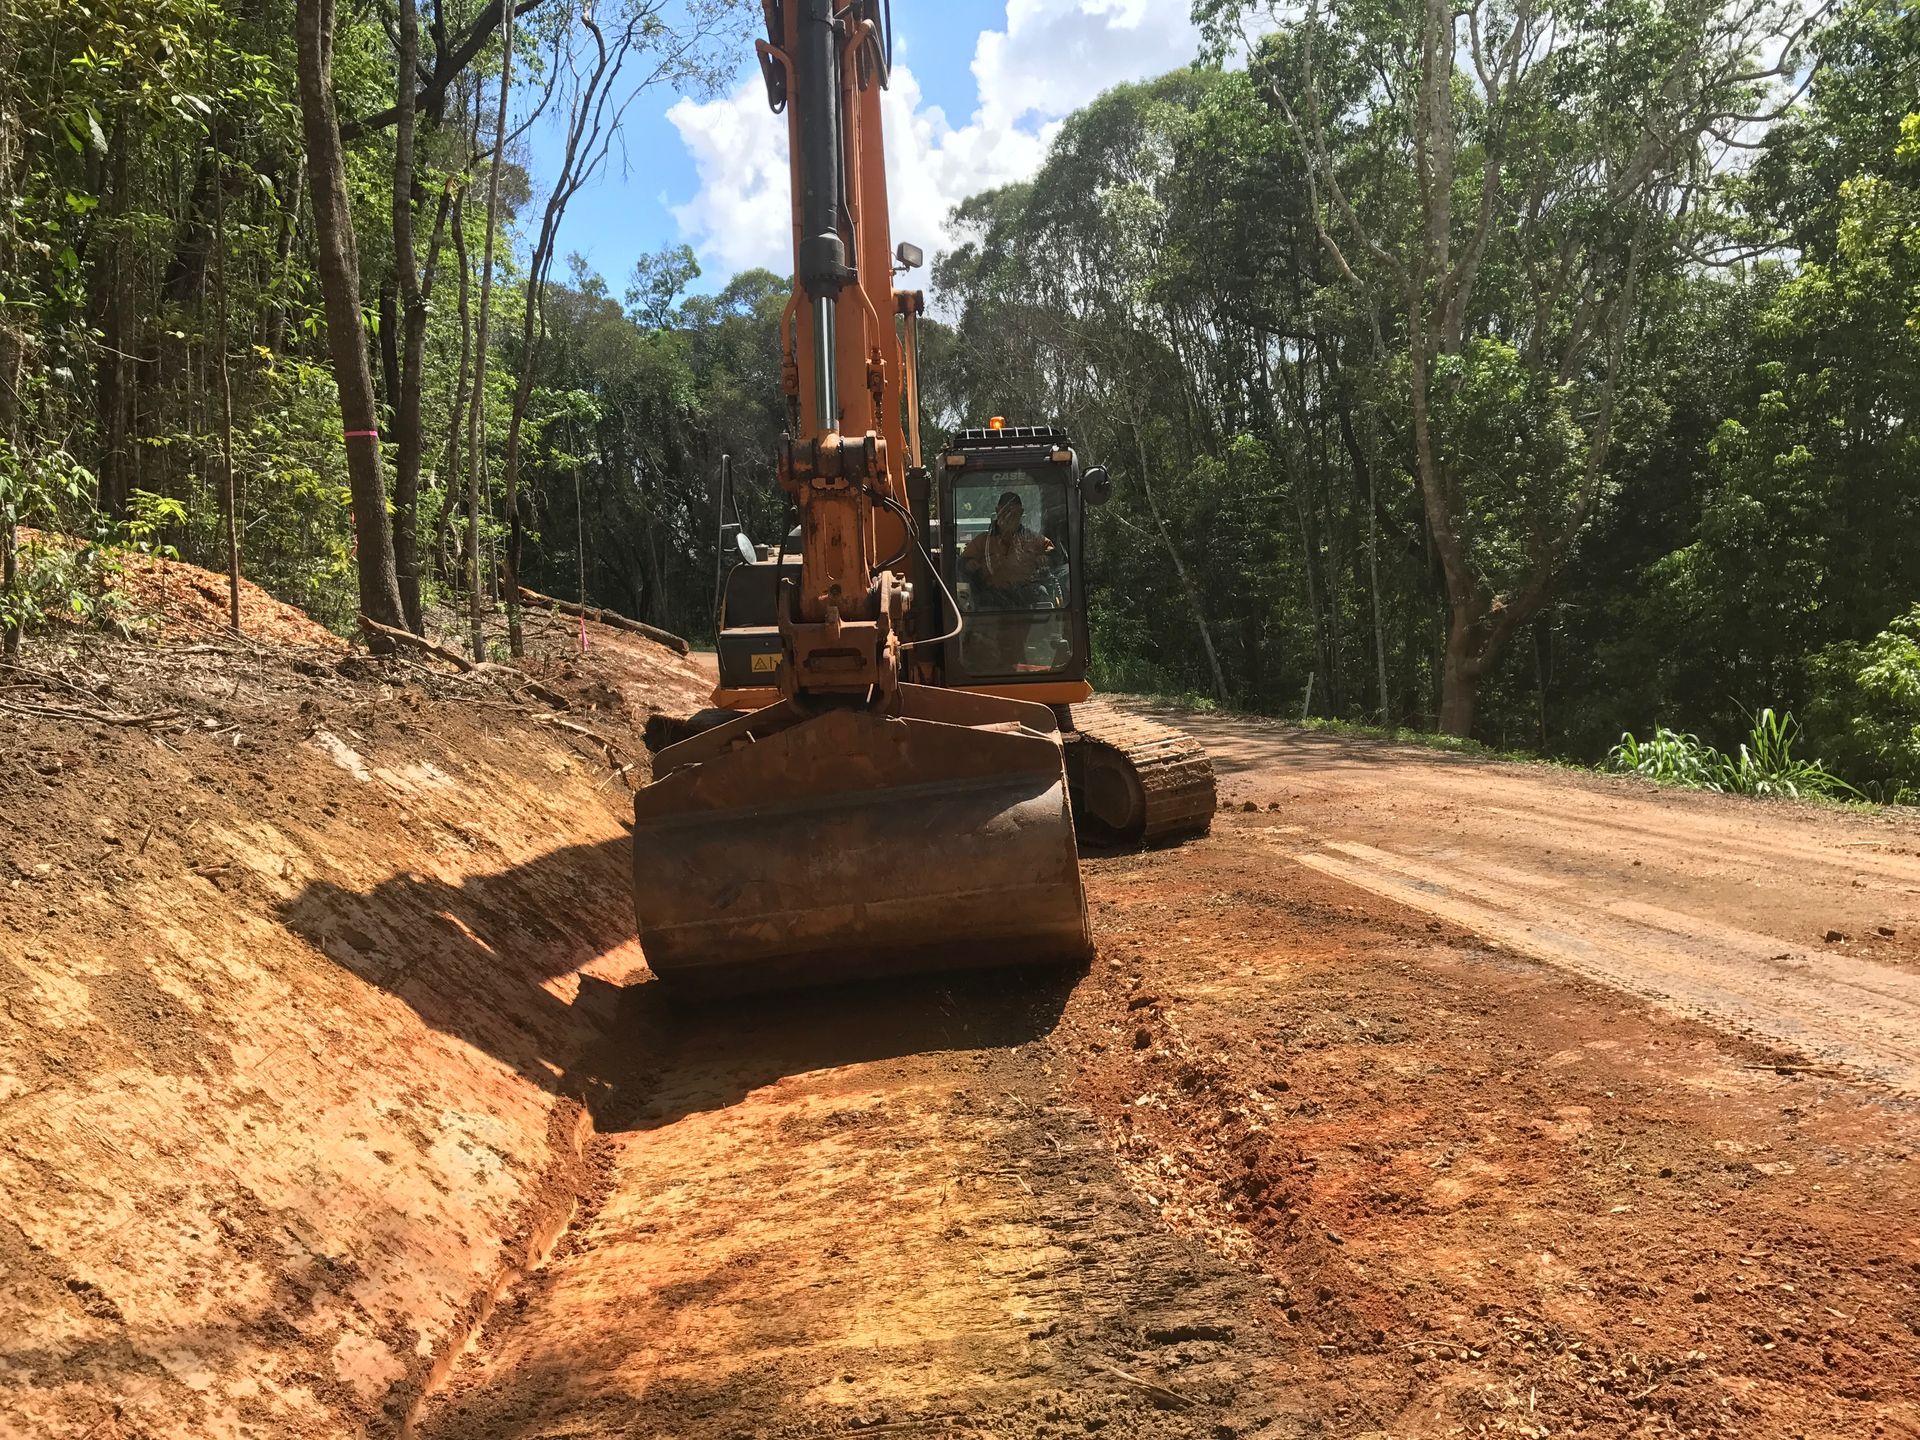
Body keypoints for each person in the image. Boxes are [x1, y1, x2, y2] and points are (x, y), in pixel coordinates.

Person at [960, 491, 1063, 672]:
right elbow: (962, 563)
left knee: (1039, 610)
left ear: (1021, 512)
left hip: (1024, 601)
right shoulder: (982, 541)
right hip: (992, 602)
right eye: (1005, 512)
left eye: (1014, 512)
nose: (1009, 516)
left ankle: (1036, 661)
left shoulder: (1033, 539)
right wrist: (971, 565)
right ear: (997, 510)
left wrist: (1046, 559)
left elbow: (1055, 555)